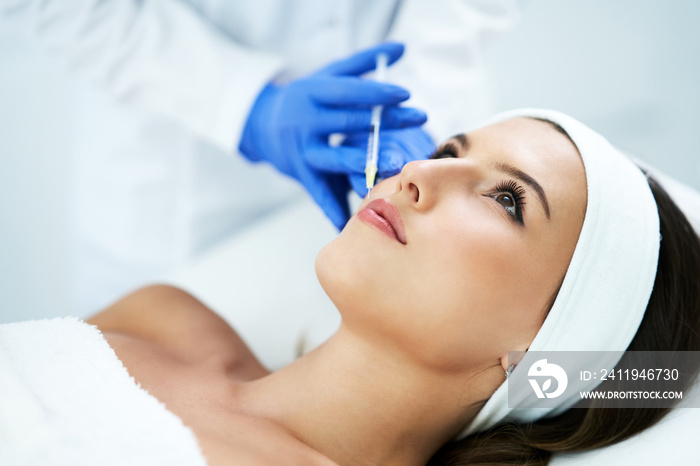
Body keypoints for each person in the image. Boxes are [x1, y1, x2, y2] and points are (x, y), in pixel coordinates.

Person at [73, 110, 700, 465]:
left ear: (552, 350)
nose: (418, 170)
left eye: (506, 199)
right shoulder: (162, 317)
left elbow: (668, 373)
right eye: (450, 148)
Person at [0, 0, 520, 316]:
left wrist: (420, 115)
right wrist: (241, 104)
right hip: (178, 175)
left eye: (507, 200)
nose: (420, 182)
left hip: (426, 86)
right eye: (449, 155)